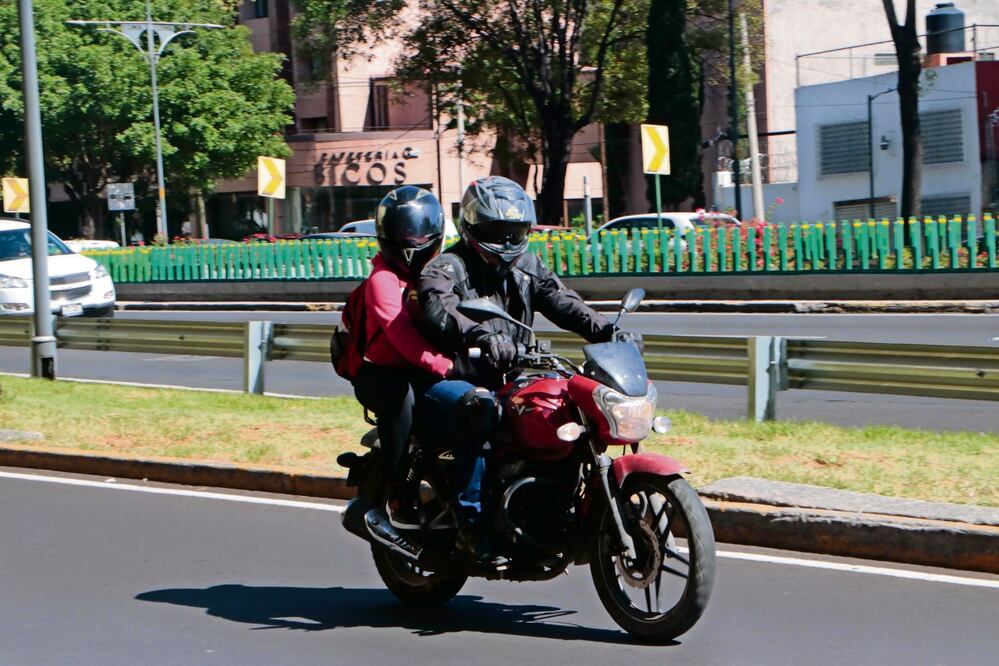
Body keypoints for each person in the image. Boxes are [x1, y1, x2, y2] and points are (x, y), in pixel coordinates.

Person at [416, 176, 640, 559]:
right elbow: (439, 307)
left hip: (515, 374)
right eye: (495, 231)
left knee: (567, 405)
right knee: (481, 409)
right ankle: (473, 524)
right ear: (472, 227)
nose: (505, 242)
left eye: (514, 231)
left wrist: (609, 330)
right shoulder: (447, 268)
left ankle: (554, 509)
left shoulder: (528, 266)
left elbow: (563, 301)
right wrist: (480, 336)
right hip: (459, 376)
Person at [341, 185, 472, 560]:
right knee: (403, 399)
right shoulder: (383, 281)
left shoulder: (442, 270)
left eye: (418, 231)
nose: (411, 241)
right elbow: (400, 336)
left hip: (419, 366)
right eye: (402, 233)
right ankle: (399, 493)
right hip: (380, 372)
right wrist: (444, 364)